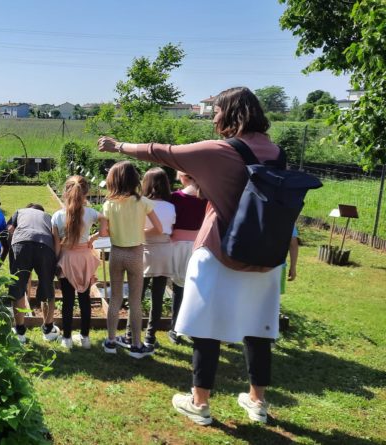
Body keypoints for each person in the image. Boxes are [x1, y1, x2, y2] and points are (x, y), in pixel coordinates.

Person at [98, 86, 283, 425]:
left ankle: (200, 403)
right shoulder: (275, 151)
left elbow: (163, 152)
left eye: (215, 110)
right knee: (259, 327)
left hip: (220, 250)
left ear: (231, 113)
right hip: (266, 253)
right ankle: (257, 401)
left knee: (205, 327)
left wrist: (118, 146)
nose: (213, 116)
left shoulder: (222, 150)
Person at [101, 161, 162, 358]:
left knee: (115, 299)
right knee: (135, 301)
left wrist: (115, 231)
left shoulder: (109, 204)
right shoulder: (143, 202)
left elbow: (103, 232)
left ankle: (110, 341)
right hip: (136, 252)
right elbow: (159, 229)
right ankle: (136, 345)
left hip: (116, 253)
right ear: (135, 178)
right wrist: (139, 233)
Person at [51, 176, 107, 350]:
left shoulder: (57, 216)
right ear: (86, 193)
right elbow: (105, 223)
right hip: (84, 259)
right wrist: (93, 237)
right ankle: (85, 338)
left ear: (65, 192)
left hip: (67, 259)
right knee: (85, 299)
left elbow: (56, 246)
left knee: (67, 300)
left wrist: (56, 264)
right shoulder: (90, 213)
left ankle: (66, 338)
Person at [123, 167, 176, 349]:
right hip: (164, 252)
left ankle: (130, 334)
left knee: (136, 296)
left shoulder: (141, 204)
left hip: (144, 251)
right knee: (158, 296)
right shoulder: (171, 206)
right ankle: (150, 336)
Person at [7, 204, 58, 343]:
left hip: (21, 244)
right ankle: (48, 329)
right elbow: (55, 236)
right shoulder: (48, 216)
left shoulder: (19, 211)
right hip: (45, 246)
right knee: (47, 287)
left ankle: (20, 332)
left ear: (29, 208)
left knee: (17, 287)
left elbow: (10, 230)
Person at [168, 171, 207, 345]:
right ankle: (193, 328)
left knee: (178, 288)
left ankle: (175, 328)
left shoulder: (175, 198)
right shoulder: (206, 197)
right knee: (196, 289)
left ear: (183, 177)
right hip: (200, 246)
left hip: (178, 246)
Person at [281, 226, 299, 294]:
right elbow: (293, 244)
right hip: (278, 267)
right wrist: (293, 267)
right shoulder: (287, 217)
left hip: (252, 265)